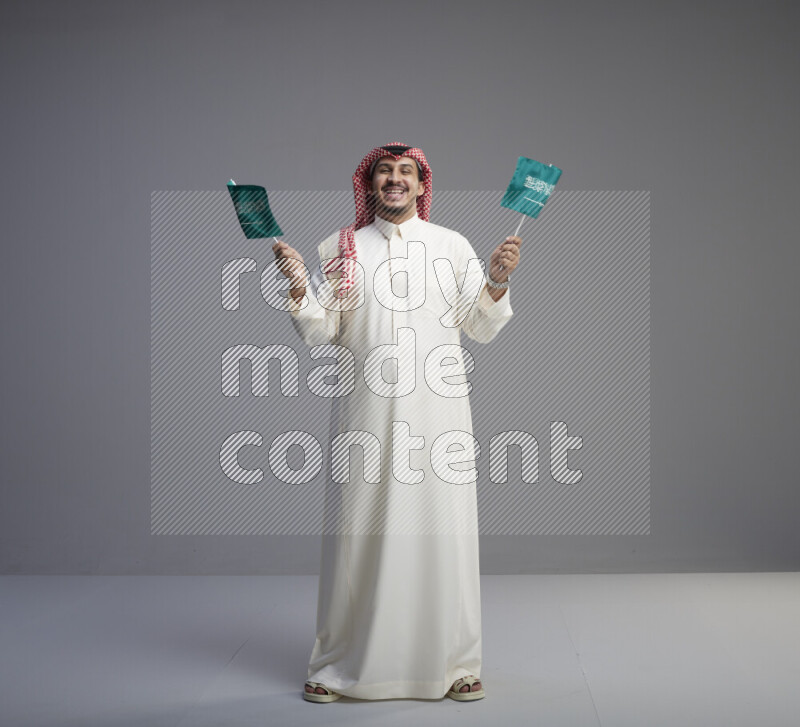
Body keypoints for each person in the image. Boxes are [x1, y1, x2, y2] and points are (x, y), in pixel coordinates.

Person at [272, 143, 521, 702]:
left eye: (405, 172)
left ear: (420, 184)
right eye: (385, 171)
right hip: (367, 412)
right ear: (369, 183)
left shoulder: (453, 246)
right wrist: (295, 284)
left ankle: (456, 665)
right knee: (360, 533)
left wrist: (498, 280)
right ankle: (337, 666)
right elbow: (321, 331)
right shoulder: (342, 248)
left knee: (443, 532)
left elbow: (479, 326)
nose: (394, 180)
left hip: (440, 416)